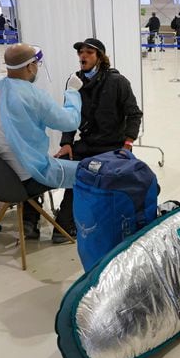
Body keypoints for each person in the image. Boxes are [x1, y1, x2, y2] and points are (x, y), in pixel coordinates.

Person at [0, 43, 83, 239]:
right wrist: (72, 92)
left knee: (30, 159)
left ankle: (29, 221)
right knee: (86, 171)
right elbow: (70, 121)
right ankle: (65, 227)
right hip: (25, 179)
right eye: (37, 64)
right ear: (30, 66)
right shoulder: (33, 96)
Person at [52, 38, 143, 243]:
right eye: (80, 53)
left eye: (89, 53)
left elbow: (134, 114)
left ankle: (124, 222)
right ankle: (65, 226)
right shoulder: (75, 82)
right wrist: (66, 142)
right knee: (75, 175)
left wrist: (128, 143)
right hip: (87, 142)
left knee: (122, 180)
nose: (83, 56)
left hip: (114, 145)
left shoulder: (118, 82)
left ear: (100, 57)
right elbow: (69, 115)